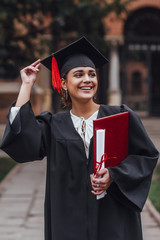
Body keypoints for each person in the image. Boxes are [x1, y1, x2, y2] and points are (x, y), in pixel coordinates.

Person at [0, 37, 159, 240]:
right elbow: (23, 144)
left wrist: (114, 174)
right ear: (64, 83)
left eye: (92, 74)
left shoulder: (120, 117)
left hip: (113, 216)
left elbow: (147, 157)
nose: (87, 79)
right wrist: (27, 85)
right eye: (79, 74)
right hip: (68, 220)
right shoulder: (53, 125)